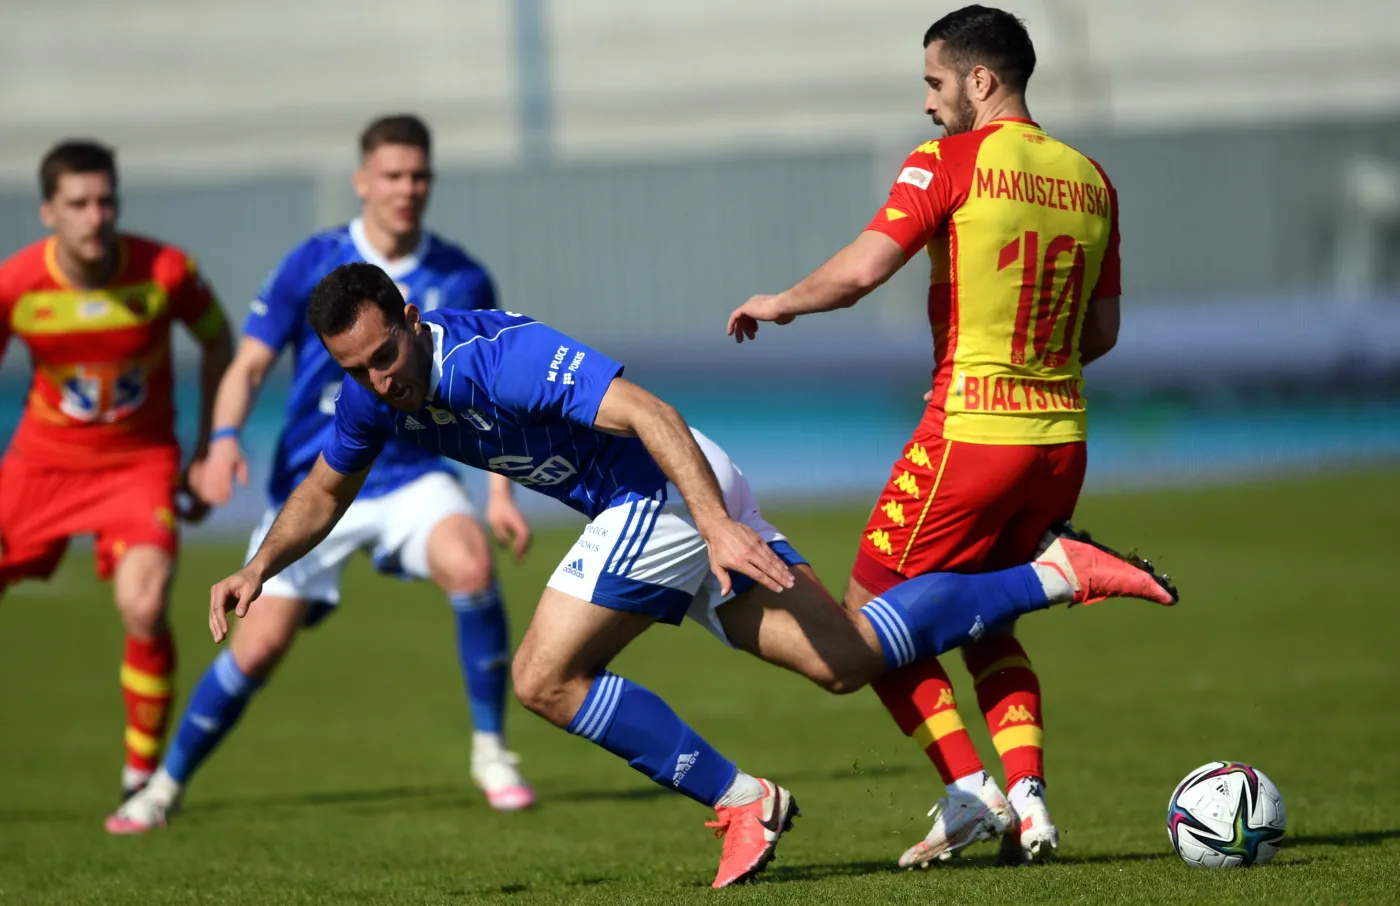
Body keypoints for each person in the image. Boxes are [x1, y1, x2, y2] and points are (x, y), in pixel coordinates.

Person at [208, 263, 1173, 887]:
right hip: (669, 503)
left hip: (665, 490)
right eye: (360, 370)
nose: (383, 382)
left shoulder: (498, 361)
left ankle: (740, 800)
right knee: (847, 657)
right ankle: (1053, 572)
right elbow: (324, 492)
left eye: (388, 357)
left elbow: (653, 413)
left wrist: (711, 526)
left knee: (542, 677)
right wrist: (258, 566)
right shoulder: (374, 397)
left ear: (412, 322)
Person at [727, 4, 1124, 867]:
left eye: (935, 83)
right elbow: (1100, 334)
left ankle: (967, 788)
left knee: (871, 613)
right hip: (1062, 441)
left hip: (973, 433)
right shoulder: (1091, 178)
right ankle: (1030, 799)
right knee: (980, 619)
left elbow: (864, 271)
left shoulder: (951, 162)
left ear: (981, 81)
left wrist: (780, 300)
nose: (929, 104)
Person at [106, 116, 534, 835]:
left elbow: (488, 390)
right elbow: (248, 362)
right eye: (392, 175)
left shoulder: (461, 272)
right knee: (260, 642)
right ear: (362, 180)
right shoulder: (314, 262)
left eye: (419, 174)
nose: (407, 188)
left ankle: (493, 753)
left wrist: (499, 491)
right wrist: (221, 439)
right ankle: (162, 785)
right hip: (319, 476)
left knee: (469, 561)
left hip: (409, 474)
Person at [0, 140, 232, 801]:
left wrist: (212, 447)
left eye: (106, 201)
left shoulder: (165, 271)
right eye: (78, 203)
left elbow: (219, 341)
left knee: (145, 603)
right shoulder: (14, 287)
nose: (95, 216)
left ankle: (140, 776)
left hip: (137, 465)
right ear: (49, 211)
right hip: (39, 466)